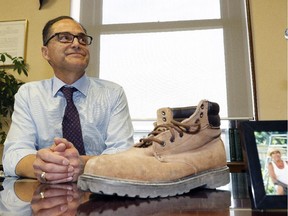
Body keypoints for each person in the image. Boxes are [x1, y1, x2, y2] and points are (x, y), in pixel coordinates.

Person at [2, 16, 134, 184]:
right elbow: (14, 153)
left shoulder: (113, 93)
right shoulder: (28, 94)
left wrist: (82, 164)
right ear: (45, 52)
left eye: (82, 39)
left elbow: (124, 154)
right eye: (64, 38)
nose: (76, 44)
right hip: (44, 197)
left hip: (101, 196)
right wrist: (44, 166)